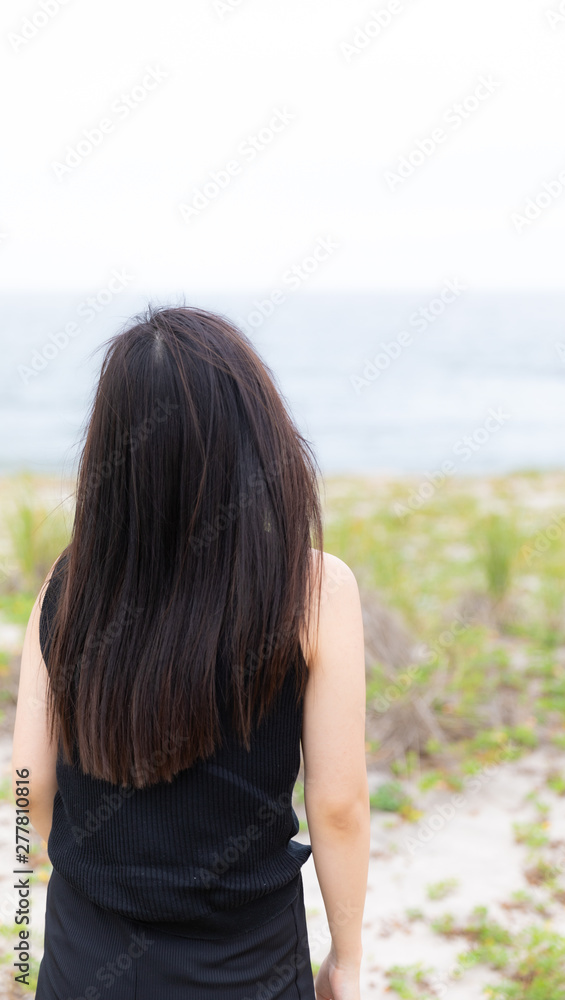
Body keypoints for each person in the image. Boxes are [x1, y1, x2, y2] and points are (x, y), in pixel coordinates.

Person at [12, 304, 370, 1000]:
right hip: (247, 966)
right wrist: (345, 962)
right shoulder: (314, 588)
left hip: (87, 961)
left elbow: (28, 785)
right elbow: (338, 805)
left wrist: (77, 900)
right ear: (254, 434)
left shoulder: (69, 582)